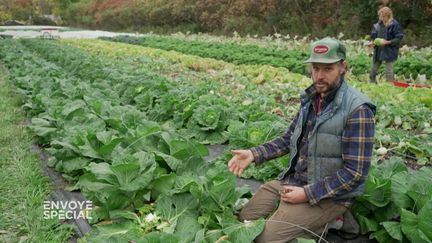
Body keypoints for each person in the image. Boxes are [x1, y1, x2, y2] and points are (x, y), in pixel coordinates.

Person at [228, 37, 376, 242]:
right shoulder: (312, 99)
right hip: (294, 181)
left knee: (264, 238)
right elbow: (289, 138)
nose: (319, 76)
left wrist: (307, 194)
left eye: (327, 69)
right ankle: (315, 220)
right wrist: (254, 154)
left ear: (343, 67)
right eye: (315, 68)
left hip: (330, 196)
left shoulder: (358, 110)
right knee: (244, 219)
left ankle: (335, 219)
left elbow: (355, 173)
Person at [369, 6, 404, 83]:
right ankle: (372, 86)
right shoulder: (378, 25)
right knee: (373, 72)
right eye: (380, 16)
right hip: (378, 50)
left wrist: (387, 42)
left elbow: (398, 38)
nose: (381, 18)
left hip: (389, 50)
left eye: (383, 16)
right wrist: (373, 42)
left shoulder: (394, 25)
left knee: (389, 73)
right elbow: (374, 35)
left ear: (388, 16)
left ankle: (390, 88)